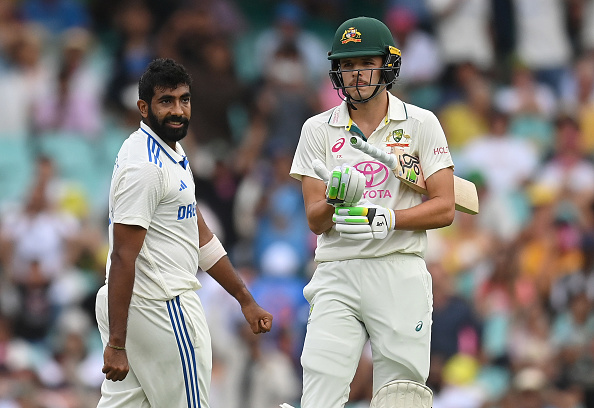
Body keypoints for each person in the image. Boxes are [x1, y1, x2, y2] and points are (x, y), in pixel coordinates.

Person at [288, 17, 456, 408]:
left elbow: (445, 206)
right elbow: (314, 218)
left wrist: (391, 219)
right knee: (319, 391)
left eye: (365, 63)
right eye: (346, 66)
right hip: (337, 271)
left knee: (402, 396)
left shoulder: (420, 123)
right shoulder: (317, 129)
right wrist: (334, 200)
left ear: (387, 65)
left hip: (397, 266)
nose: (356, 74)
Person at [95, 58, 273, 408]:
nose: (178, 110)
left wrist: (244, 299)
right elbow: (122, 255)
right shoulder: (145, 166)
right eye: (166, 101)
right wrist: (117, 342)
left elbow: (200, 234)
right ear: (143, 107)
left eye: (184, 100)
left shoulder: (171, 151)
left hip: (142, 309)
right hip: (163, 308)